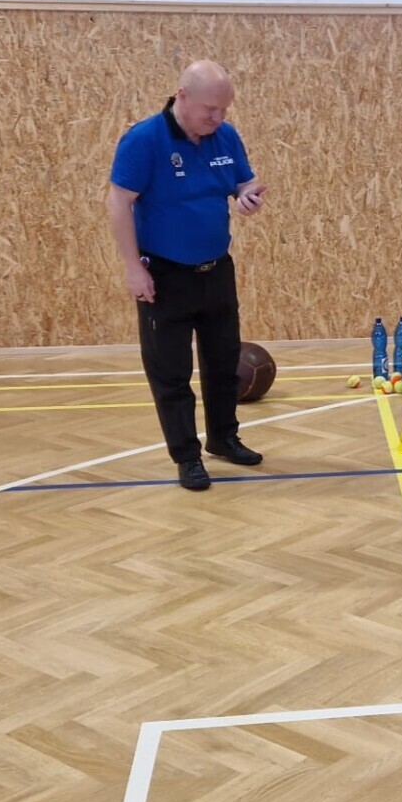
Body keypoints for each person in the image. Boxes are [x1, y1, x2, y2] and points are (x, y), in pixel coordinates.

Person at [104, 60, 268, 493]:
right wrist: (132, 267)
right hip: (164, 275)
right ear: (182, 96)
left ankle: (224, 438)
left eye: (224, 109)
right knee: (171, 372)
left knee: (223, 363)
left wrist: (248, 197)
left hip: (216, 269)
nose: (217, 118)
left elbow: (244, 183)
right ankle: (187, 456)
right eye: (210, 109)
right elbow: (119, 203)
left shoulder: (225, 136)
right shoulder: (144, 140)